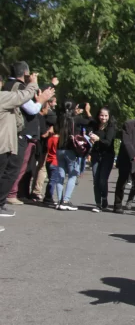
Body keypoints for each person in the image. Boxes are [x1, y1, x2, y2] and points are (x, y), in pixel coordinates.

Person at [1, 62, 55, 205]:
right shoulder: (16, 87)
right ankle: (8, 196)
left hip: (14, 133)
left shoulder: (9, 87)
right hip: (16, 134)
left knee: (16, 167)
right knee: (13, 168)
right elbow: (31, 108)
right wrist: (41, 99)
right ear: (25, 74)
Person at [0, 73, 42, 217]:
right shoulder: (3, 97)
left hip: (6, 142)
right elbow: (24, 97)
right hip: (3, 145)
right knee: (8, 173)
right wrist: (33, 83)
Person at [51, 101, 85, 211]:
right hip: (71, 150)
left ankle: (60, 200)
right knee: (72, 175)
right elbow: (90, 122)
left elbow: (55, 130)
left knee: (60, 175)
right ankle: (66, 200)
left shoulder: (60, 118)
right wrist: (87, 111)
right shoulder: (76, 119)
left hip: (60, 148)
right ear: (75, 108)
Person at [88, 107, 116, 212]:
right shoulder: (94, 125)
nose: (103, 117)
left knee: (102, 179)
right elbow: (88, 130)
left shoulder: (111, 127)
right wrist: (90, 136)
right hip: (96, 154)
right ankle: (98, 204)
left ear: (109, 116)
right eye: (101, 115)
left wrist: (98, 139)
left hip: (107, 155)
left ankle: (104, 197)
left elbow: (108, 142)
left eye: (105, 115)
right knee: (96, 179)